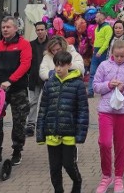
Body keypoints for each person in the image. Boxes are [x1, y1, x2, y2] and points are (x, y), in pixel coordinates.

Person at [0, 16, 32, 166]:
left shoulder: (24, 44)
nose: (5, 30)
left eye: (8, 27)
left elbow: (25, 65)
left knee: (19, 121)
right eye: (3, 27)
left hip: (18, 89)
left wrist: (11, 80)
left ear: (16, 28)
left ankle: (17, 150)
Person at [93, 38, 124, 193]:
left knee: (121, 146)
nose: (119, 59)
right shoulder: (104, 65)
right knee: (105, 143)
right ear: (112, 54)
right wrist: (108, 85)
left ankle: (119, 177)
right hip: (106, 111)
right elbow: (95, 86)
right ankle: (106, 176)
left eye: (122, 56)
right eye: (117, 56)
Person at [36, 51, 89, 193]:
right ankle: (58, 190)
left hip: (69, 133)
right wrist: (40, 134)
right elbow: (42, 109)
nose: (58, 69)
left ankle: (77, 182)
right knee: (54, 168)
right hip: (52, 132)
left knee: (68, 164)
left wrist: (80, 135)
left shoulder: (78, 84)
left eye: (62, 65)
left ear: (69, 65)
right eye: (56, 65)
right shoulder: (49, 84)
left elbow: (83, 111)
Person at [27, 21, 52, 136]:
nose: (40, 32)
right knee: (32, 102)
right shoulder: (30, 45)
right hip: (34, 78)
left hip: (48, 78)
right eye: (38, 30)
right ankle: (31, 123)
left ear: (46, 30)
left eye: (42, 29)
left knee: (48, 102)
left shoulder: (51, 44)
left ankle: (46, 124)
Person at [89, 11, 114, 97]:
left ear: (102, 18)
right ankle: (90, 91)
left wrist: (100, 51)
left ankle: (105, 91)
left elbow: (107, 41)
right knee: (92, 72)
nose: (95, 18)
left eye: (97, 17)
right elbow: (96, 40)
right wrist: (94, 50)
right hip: (96, 51)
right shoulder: (97, 27)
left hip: (103, 52)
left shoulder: (107, 28)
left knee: (105, 73)